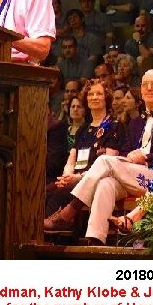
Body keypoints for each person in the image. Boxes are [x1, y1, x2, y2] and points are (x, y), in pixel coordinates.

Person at [43, 70, 153, 245]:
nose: (149, 88)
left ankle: (70, 210)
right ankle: (95, 240)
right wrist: (129, 158)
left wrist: (146, 157)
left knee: (104, 160)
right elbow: (124, 152)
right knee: (105, 184)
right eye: (145, 84)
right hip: (130, 174)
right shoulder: (136, 121)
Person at [45, 80, 124, 217]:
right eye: (90, 94)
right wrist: (66, 177)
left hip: (94, 181)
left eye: (99, 94)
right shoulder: (83, 128)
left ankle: (47, 232)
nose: (94, 97)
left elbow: (109, 164)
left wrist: (77, 178)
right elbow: (72, 159)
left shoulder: (114, 126)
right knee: (45, 192)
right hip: (74, 178)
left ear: (106, 98)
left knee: (59, 195)